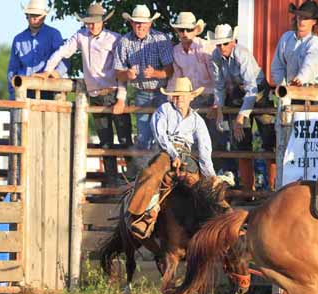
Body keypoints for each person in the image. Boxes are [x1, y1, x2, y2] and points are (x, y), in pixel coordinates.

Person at [36, 2, 133, 187]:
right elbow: (63, 51)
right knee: (105, 142)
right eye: (89, 22)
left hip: (113, 93)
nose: (92, 25)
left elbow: (122, 70)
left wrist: (121, 97)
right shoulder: (81, 36)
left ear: (103, 21)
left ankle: (132, 180)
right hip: (96, 95)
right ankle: (112, 181)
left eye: (95, 22)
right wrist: (48, 69)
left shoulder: (115, 39)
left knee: (124, 139)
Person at [127, 77, 215, 238]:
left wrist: (210, 175)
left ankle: (208, 222)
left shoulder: (197, 120)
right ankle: (145, 214)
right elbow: (160, 135)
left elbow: (204, 149)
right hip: (165, 152)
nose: (178, 98)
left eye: (182, 94)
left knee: (202, 186)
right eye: (175, 94)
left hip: (187, 155)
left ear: (191, 97)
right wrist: (173, 154)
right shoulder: (164, 109)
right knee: (154, 172)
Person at [209, 24, 276, 191]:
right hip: (240, 91)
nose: (222, 47)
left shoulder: (242, 54)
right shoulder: (215, 56)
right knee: (241, 142)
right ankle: (248, 190)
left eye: (225, 43)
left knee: (270, 139)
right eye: (219, 44)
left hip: (258, 91)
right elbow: (219, 85)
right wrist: (219, 108)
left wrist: (241, 115)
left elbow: (252, 87)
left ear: (233, 42)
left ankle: (273, 189)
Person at [114, 4, 174, 172]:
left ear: (150, 24)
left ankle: (160, 174)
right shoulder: (124, 41)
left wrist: (155, 73)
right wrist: (127, 74)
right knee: (143, 136)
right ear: (131, 23)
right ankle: (143, 174)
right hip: (141, 93)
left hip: (162, 92)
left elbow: (170, 70)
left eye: (143, 23)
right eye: (136, 23)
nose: (139, 26)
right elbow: (118, 73)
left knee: (162, 134)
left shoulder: (160, 39)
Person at [168, 13, 228, 174]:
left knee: (216, 138)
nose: (185, 33)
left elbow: (217, 78)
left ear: (196, 30)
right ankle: (197, 175)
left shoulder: (206, 48)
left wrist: (217, 102)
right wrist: (171, 98)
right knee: (192, 140)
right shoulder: (176, 51)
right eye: (181, 30)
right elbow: (177, 76)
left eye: (188, 29)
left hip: (210, 97)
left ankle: (220, 174)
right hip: (191, 99)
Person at [7, 0, 68, 100]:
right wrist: (12, 92)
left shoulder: (54, 34)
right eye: (32, 15)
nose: (35, 18)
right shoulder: (18, 39)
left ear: (44, 16)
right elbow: (12, 68)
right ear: (27, 16)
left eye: (38, 15)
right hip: (24, 89)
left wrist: (55, 74)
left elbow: (64, 59)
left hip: (49, 88)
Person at [271, 1, 318, 87]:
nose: (302, 21)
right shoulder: (286, 38)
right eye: (300, 17)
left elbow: (310, 64)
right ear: (296, 17)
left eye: (306, 18)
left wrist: (300, 78)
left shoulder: (315, 42)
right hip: (288, 91)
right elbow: (277, 65)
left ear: (314, 22)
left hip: (308, 93)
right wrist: (282, 86)